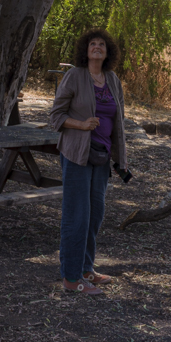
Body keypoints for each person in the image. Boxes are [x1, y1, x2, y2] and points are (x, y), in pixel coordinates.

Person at [48, 29, 127, 296]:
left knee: (95, 215)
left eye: (101, 44)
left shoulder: (113, 80)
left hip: (102, 157)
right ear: (85, 50)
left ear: (108, 52)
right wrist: (81, 125)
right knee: (77, 216)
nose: (97, 47)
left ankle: (85, 268)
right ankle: (71, 279)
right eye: (92, 43)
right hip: (77, 154)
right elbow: (56, 116)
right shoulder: (75, 76)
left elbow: (119, 122)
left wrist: (120, 159)